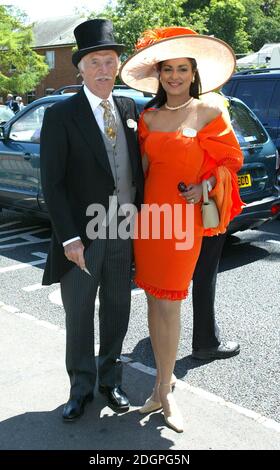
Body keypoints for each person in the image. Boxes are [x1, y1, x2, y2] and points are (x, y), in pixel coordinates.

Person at [120, 27, 244, 432]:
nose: (174, 76)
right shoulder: (149, 117)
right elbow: (140, 172)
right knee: (154, 303)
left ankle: (166, 391)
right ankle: (160, 386)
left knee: (170, 303)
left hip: (183, 223)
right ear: (159, 74)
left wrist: (205, 186)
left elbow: (230, 163)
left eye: (182, 69)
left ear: (193, 73)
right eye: (168, 69)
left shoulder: (210, 111)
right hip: (151, 222)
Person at [40, 19, 144, 422]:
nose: (104, 69)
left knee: (117, 309)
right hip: (83, 235)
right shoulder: (61, 115)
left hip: (123, 229)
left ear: (118, 66)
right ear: (80, 68)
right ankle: (81, 387)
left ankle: (110, 380)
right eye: (95, 62)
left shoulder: (129, 107)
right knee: (79, 313)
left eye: (110, 61)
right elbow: (54, 183)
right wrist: (69, 238)